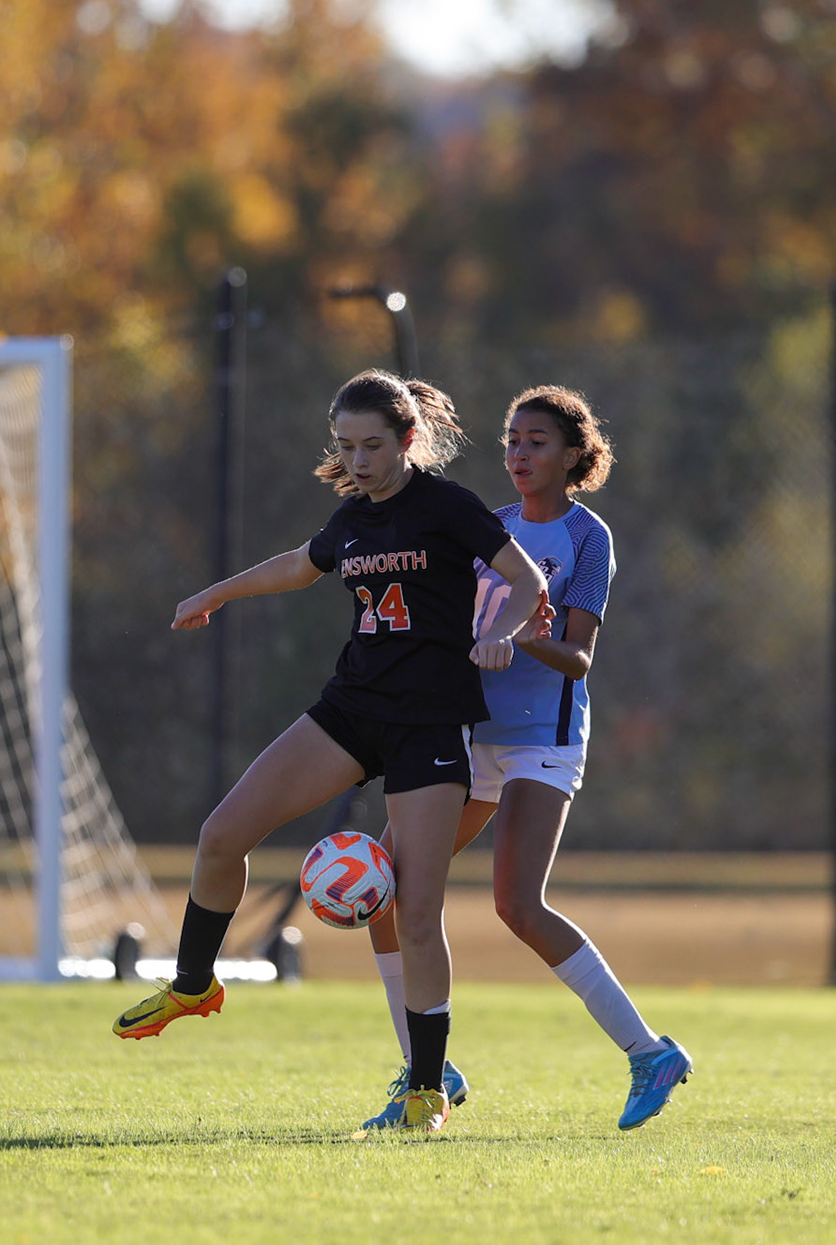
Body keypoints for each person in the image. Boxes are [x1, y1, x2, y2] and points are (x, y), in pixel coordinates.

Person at [112, 370, 544, 1135]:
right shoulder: (350, 520)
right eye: (346, 446)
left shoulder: (447, 507)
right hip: (352, 712)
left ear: (409, 439)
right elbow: (298, 564)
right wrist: (216, 593)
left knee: (416, 913)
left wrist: (500, 633)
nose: (359, 459)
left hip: (431, 726)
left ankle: (425, 1089)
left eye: (373, 445)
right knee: (221, 836)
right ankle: (191, 985)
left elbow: (525, 579)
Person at [361, 385, 692, 1131]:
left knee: (516, 904)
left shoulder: (587, 538)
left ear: (574, 454)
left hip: (543, 739)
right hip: (469, 735)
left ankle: (649, 1054)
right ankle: (428, 1067)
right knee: (384, 891)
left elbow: (576, 660)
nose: (519, 453)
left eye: (536, 441)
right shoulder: (496, 525)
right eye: (511, 440)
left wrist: (523, 638)